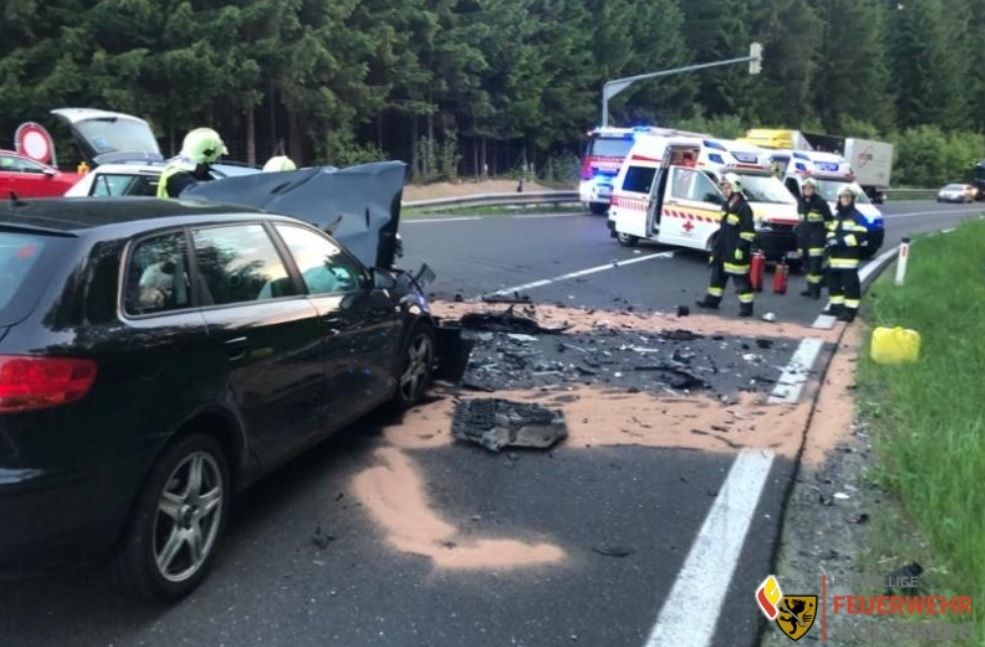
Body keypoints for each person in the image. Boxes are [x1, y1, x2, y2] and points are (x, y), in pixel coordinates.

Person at [695, 173, 757, 317]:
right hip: (722, 249)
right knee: (717, 278)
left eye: (727, 187)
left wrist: (741, 249)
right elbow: (723, 229)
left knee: (741, 281)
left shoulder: (744, 208)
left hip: (736, 251)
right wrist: (715, 248)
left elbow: (748, 232)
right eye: (723, 187)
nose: (724, 190)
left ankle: (747, 308)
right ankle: (712, 301)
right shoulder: (726, 205)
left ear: (736, 188)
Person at [825, 185, 868, 322]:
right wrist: (830, 239)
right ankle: (836, 308)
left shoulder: (858, 216)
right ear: (839, 198)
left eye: (848, 197)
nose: (845, 199)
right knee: (833, 284)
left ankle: (850, 312)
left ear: (852, 199)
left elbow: (861, 236)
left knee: (850, 286)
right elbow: (830, 231)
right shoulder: (837, 216)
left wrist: (840, 242)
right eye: (843, 196)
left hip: (849, 258)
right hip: (834, 258)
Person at [156, 128, 227, 198]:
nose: (213, 163)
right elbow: (197, 197)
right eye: (214, 158)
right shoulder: (177, 177)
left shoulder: (201, 174)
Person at [796, 178, 832, 299]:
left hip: (817, 238)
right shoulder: (801, 202)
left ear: (815, 189)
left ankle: (816, 291)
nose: (807, 190)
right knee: (806, 264)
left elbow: (829, 221)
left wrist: (826, 236)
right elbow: (801, 221)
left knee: (815, 265)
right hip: (804, 238)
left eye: (810, 188)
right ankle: (809, 288)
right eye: (805, 188)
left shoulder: (821, 203)